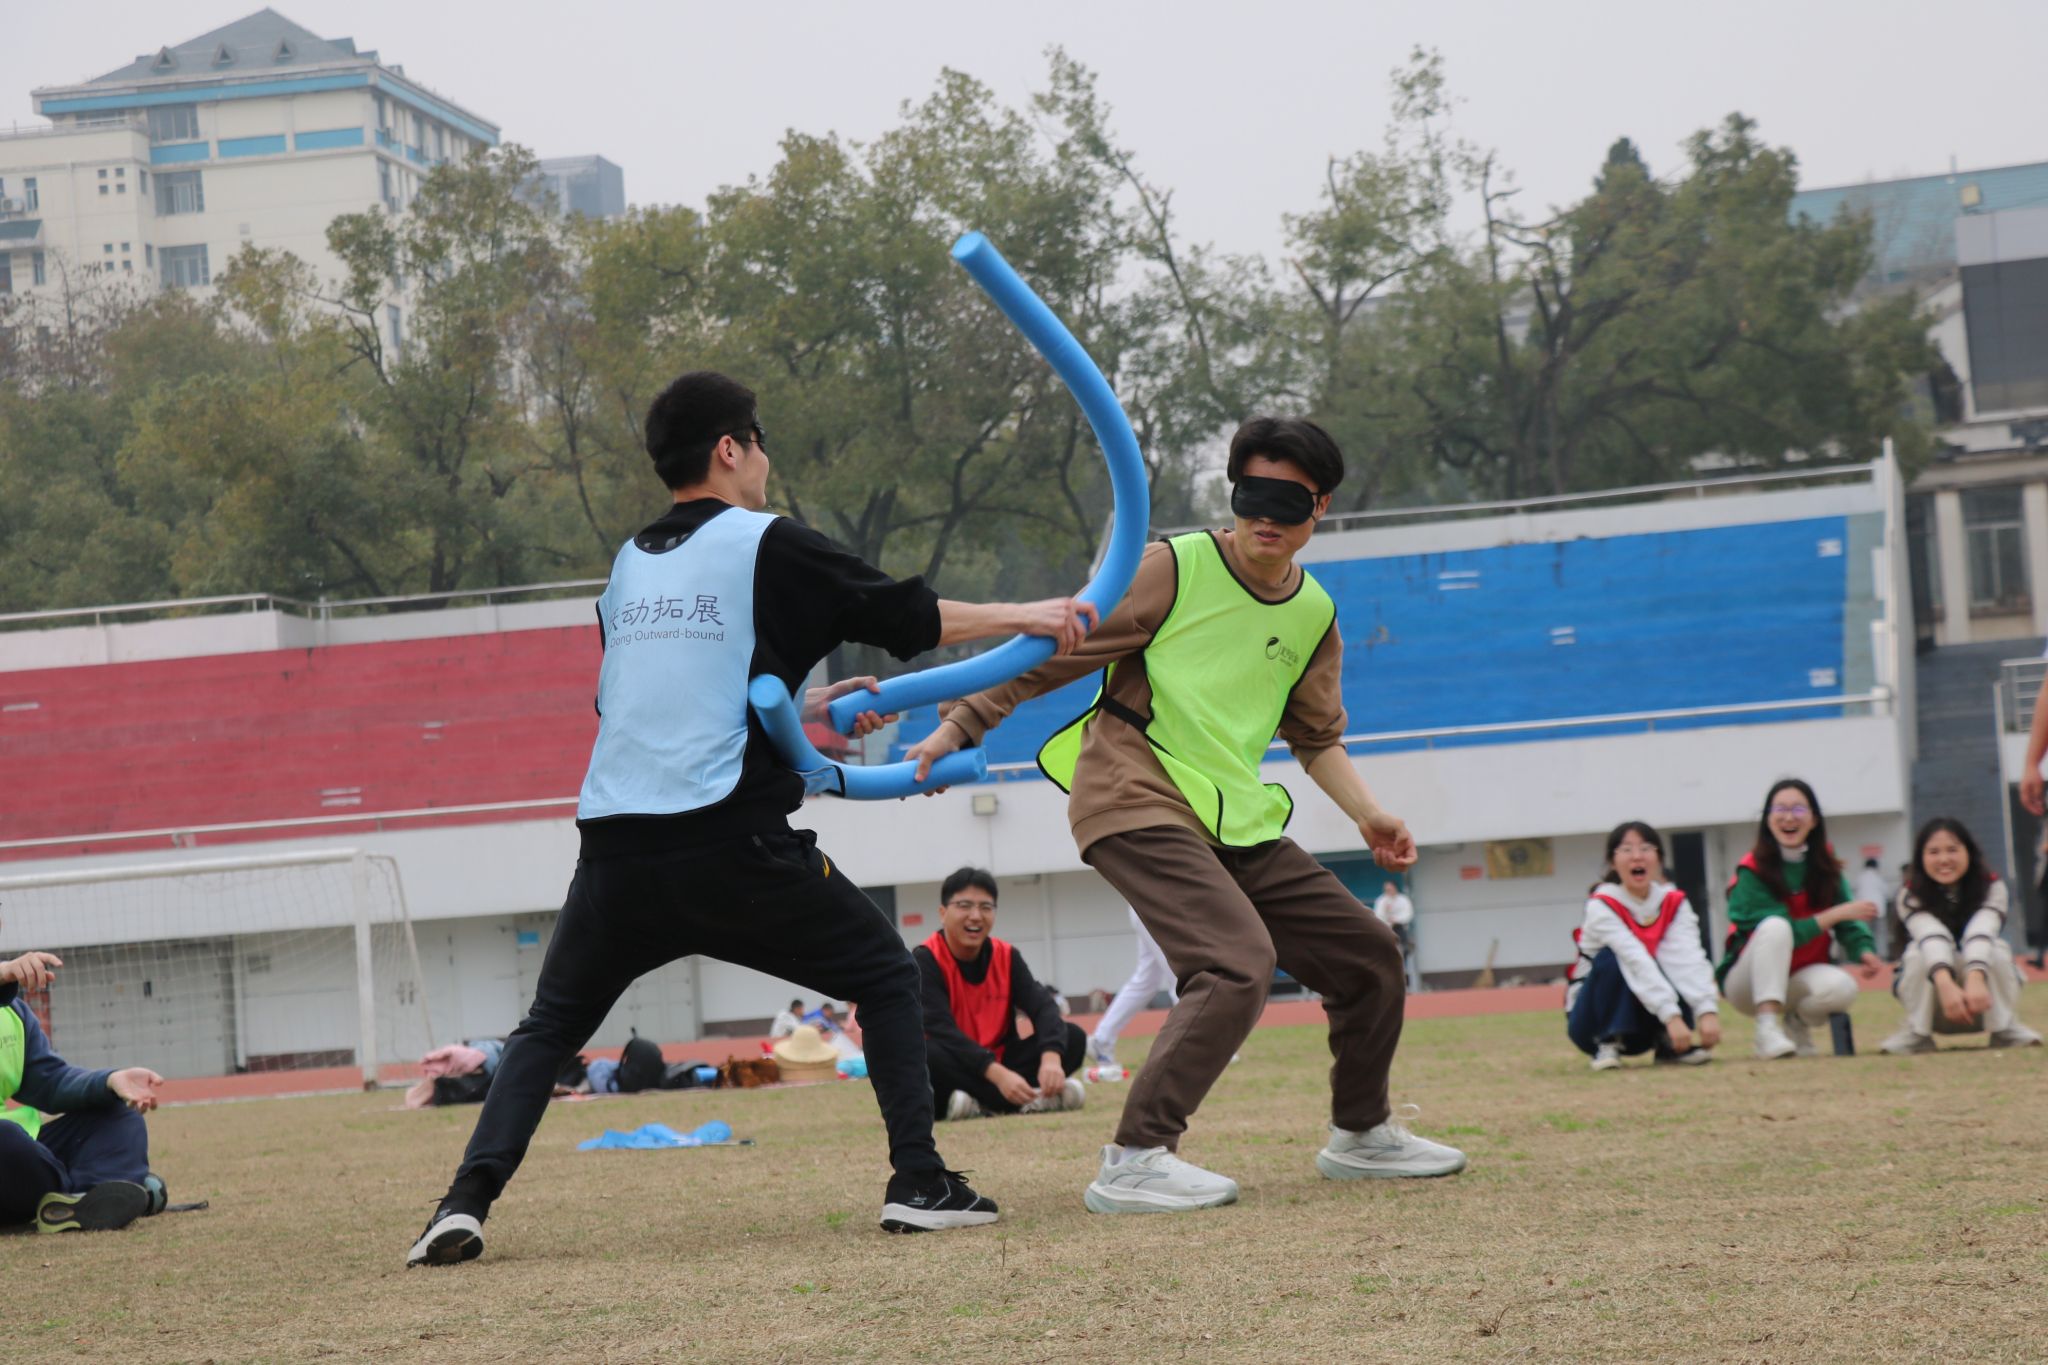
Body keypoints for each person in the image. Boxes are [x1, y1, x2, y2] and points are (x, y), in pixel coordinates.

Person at [406, 370, 1098, 1266]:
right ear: (730, 449)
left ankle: (461, 1205)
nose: (767, 459)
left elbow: (682, 698)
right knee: (888, 974)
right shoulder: (766, 539)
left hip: (614, 851)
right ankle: (919, 1181)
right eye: (760, 441)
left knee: (545, 1028)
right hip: (729, 843)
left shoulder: (628, 566)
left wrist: (814, 708)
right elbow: (907, 613)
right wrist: (1032, 615)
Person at [908, 415, 1465, 1215]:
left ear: (1321, 506)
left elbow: (1316, 737)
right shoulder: (1174, 566)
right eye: (1250, 495)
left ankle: (1361, 1133)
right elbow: (1057, 650)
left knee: (1369, 954)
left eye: (1288, 500)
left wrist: (1370, 815)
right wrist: (962, 724)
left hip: (1236, 817)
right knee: (1236, 960)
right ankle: (1136, 1157)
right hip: (1133, 794)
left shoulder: (1313, 612)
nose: (1265, 517)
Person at [0, 947, 168, 1233]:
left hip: (22, 1157)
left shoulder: (13, 1013)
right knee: (7, 1138)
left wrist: (109, 1081)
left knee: (119, 1116)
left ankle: (84, 1200)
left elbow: (51, 1082)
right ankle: (72, 1193)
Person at [1717, 778, 1883, 1059]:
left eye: (1798, 809)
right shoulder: (1751, 870)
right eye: (1780, 809)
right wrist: (1835, 914)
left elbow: (1847, 918)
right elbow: (1797, 930)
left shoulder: (1824, 863)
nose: (1789, 817)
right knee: (1776, 927)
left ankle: (1797, 1022)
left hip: (1798, 975)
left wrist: (1864, 950)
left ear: (1814, 819)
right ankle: (1766, 1029)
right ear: (1767, 819)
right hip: (1747, 985)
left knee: (1842, 989)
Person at [913, 869, 1087, 1120]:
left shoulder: (1006, 956)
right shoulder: (925, 959)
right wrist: (998, 1075)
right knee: (926, 1054)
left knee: (1073, 1037)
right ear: (943, 913)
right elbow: (942, 1030)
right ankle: (1027, 1100)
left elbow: (1043, 1006)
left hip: (1003, 1061)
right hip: (956, 1063)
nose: (976, 916)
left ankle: (979, 1105)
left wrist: (1051, 1058)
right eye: (964, 906)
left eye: (986, 907)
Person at [1564, 822, 1722, 1071]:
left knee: (1670, 955)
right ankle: (1608, 1042)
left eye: (1646, 848)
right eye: (1626, 849)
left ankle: (1667, 1044)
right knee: (1613, 957)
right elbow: (1634, 958)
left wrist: (1706, 1010)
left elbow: (1688, 957)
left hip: (1647, 1022)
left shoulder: (1673, 902)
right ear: (1612, 861)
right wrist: (1671, 1016)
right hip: (1591, 1023)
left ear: (1659, 858)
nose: (1637, 856)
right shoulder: (1601, 905)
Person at [1880, 818, 2043, 1054]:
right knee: (1917, 952)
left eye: (1952, 850)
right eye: (1934, 852)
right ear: (1920, 858)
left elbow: (1982, 930)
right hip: (1938, 1006)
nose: (1944, 859)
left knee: (1996, 949)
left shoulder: (1992, 887)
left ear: (1969, 852)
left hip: (1983, 1003)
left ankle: (2005, 1029)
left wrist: (1975, 977)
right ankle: (1917, 1033)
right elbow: (1930, 935)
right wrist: (1945, 984)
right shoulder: (1910, 893)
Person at [1089, 908, 1176, 1070]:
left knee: (1147, 981)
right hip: (1157, 906)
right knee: (1179, 977)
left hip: (1147, 906)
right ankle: (1193, 1044)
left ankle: (1102, 1039)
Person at [1373, 879, 1417, 989]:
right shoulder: (1381, 901)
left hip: (1401, 929)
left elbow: (1408, 914)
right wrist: (1388, 921)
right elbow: (1378, 915)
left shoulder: (1403, 900)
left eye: (1390, 888)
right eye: (1386, 889)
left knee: (1404, 953)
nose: (1388, 891)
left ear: (1395, 888)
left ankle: (1405, 984)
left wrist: (1396, 919)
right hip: (1387, 929)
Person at [1854, 858, 1891, 956]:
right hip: (1879, 911)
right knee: (1880, 935)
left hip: (1863, 911)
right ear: (1876, 866)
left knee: (1865, 934)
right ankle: (1882, 956)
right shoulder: (1879, 877)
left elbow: (1855, 894)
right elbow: (1887, 893)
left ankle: (1867, 954)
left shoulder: (1860, 877)